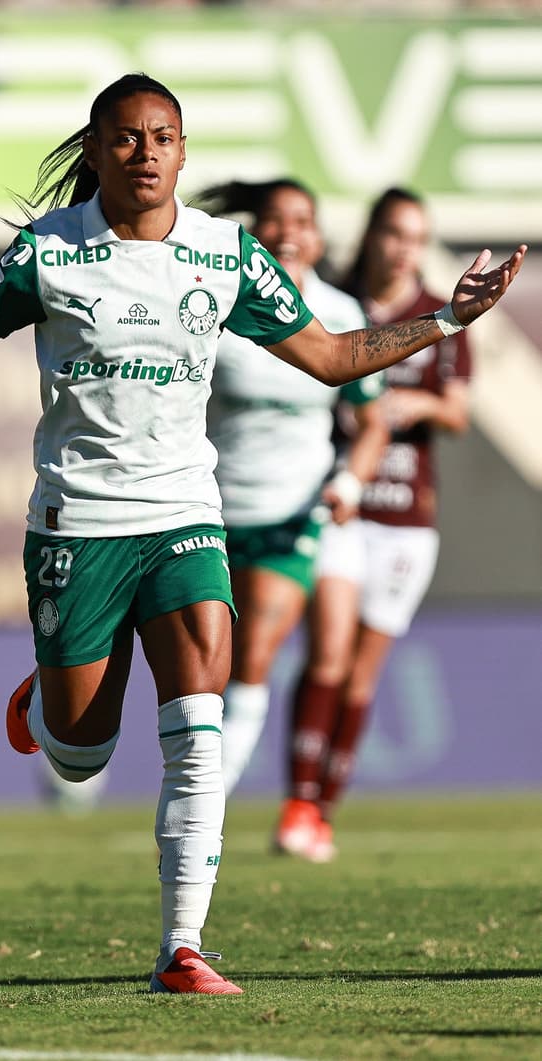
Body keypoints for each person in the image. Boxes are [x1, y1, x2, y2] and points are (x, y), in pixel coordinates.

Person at [0, 74, 525, 995]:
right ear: (93, 149)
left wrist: (446, 318)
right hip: (77, 523)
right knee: (81, 756)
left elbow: (330, 356)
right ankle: (47, 709)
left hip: (184, 518)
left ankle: (183, 945)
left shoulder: (225, 255)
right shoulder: (49, 253)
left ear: (182, 149)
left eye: (163, 136)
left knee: (199, 728)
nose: (146, 152)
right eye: (125, 137)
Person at [275, 187, 476, 864]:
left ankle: (323, 809)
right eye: (393, 232)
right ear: (371, 234)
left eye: (415, 237)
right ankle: (297, 803)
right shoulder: (335, 300)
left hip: (407, 517)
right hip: (341, 500)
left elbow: (457, 412)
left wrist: (411, 401)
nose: (402, 248)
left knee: (360, 674)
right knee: (326, 650)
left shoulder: (439, 316)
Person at [196, 178, 388, 800]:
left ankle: (208, 803)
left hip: (291, 514)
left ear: (319, 236)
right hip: (206, 508)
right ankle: (74, 745)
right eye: (275, 220)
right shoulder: (215, 306)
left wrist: (352, 479)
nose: (289, 232)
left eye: (302, 220)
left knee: (253, 655)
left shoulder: (342, 315)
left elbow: (372, 422)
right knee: (192, 664)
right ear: (255, 233)